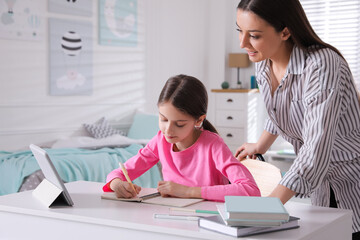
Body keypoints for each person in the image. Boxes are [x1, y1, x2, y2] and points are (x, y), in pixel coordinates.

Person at [234, 0, 360, 238]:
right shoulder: (263, 63)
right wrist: (261, 145)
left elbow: (315, 148)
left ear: (285, 31)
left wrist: (269, 205)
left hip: (352, 180)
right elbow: (280, 110)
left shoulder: (322, 65)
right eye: (239, 31)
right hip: (322, 186)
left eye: (255, 35)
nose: (242, 43)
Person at [103, 74, 260, 202]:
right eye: (163, 119)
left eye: (179, 124)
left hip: (209, 221)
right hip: (172, 217)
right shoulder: (160, 141)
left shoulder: (213, 145)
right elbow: (119, 173)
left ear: (199, 120)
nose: (168, 130)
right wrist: (117, 184)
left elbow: (250, 190)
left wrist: (189, 191)